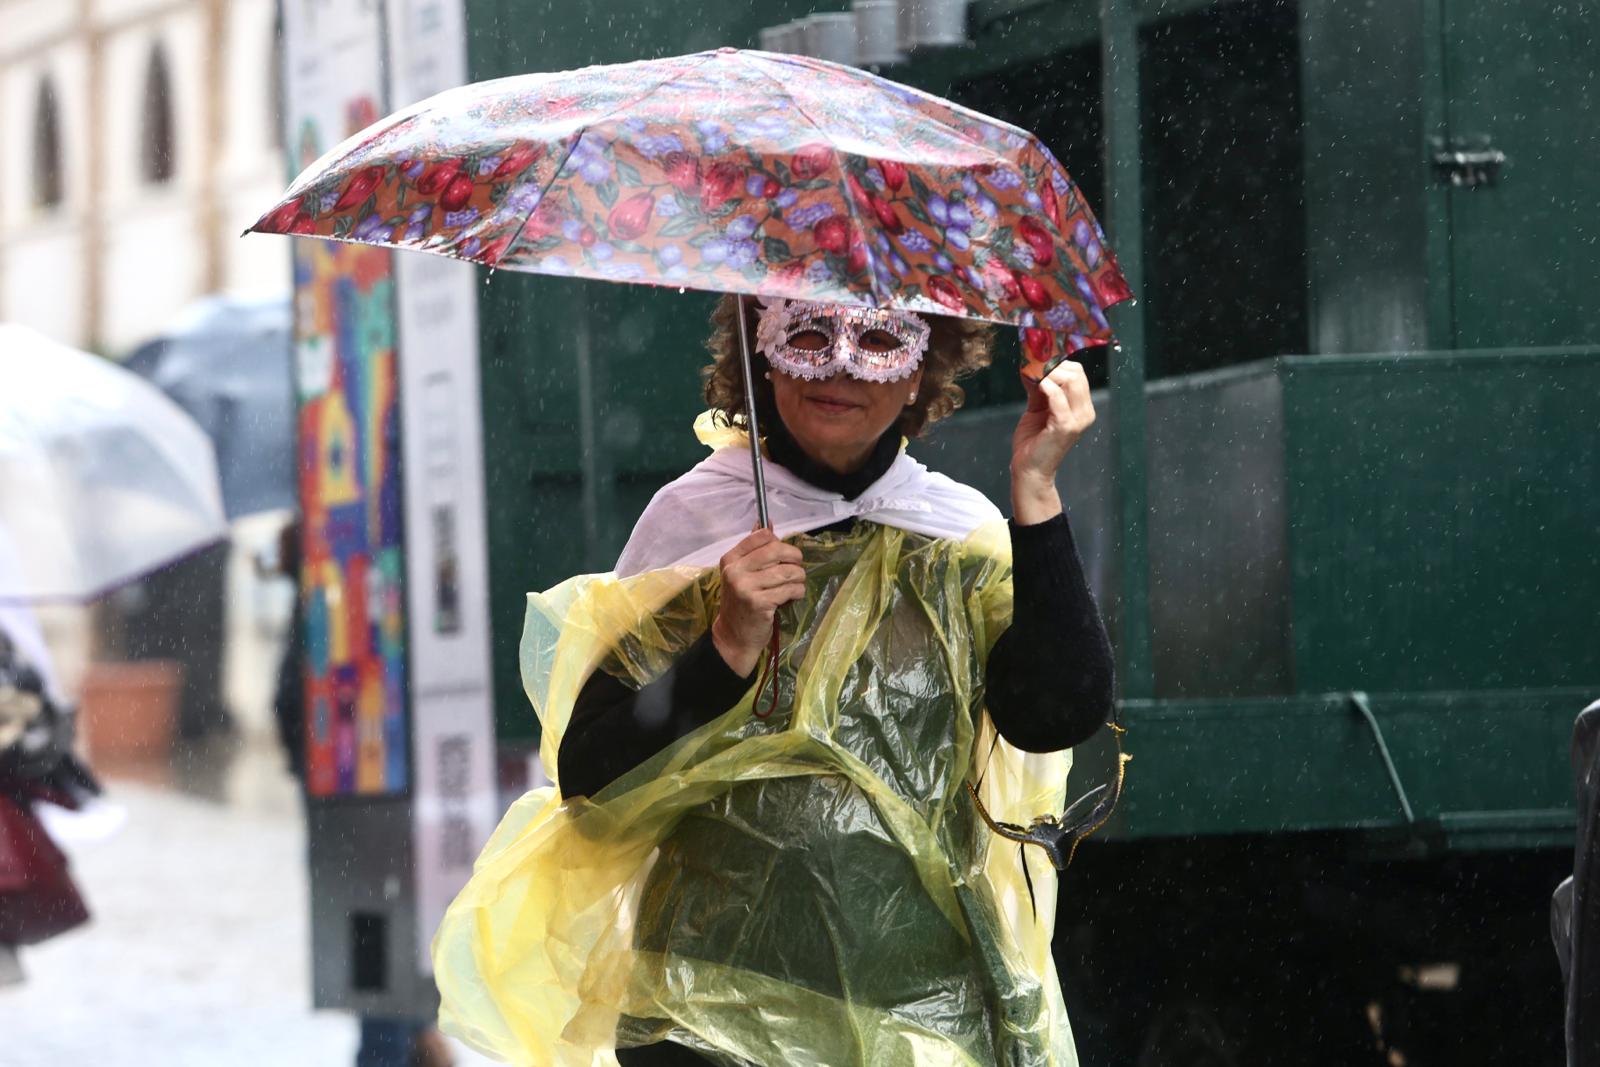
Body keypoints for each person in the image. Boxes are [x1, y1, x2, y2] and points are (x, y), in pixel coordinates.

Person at [433, 295, 1115, 1067]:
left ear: (923, 366)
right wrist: (723, 649)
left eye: (881, 337)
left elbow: (1059, 710)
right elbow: (589, 784)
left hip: (921, 1021)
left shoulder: (954, 539)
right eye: (810, 332)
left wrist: (1037, 493)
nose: (839, 366)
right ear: (761, 350)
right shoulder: (696, 526)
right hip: (707, 1027)